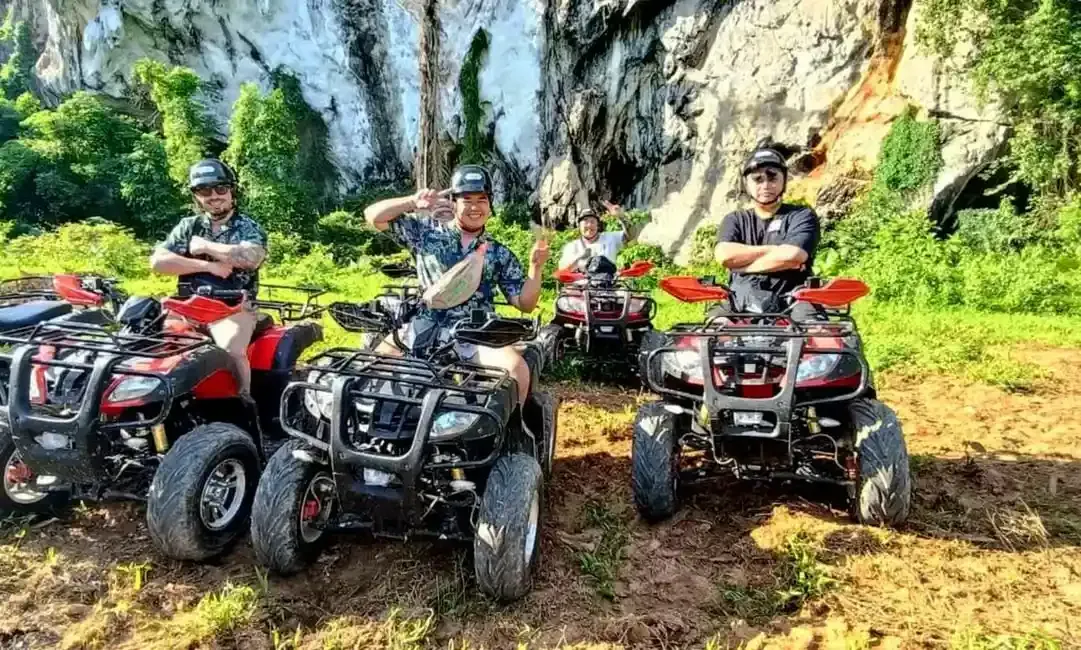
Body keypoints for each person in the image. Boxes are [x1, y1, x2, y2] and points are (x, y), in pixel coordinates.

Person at [364, 164, 549, 404]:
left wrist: (536, 268)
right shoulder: (425, 233)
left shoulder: (498, 253)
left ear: (490, 205)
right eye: (467, 199)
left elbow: (524, 303)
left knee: (516, 370)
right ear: (454, 202)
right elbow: (373, 216)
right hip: (423, 326)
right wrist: (412, 201)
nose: (475, 207)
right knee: (371, 369)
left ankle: (516, 426)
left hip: (475, 333)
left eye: (482, 200)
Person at [150, 159, 268, 395]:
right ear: (196, 196)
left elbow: (251, 258)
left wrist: (205, 245)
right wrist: (208, 266)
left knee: (230, 351)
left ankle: (243, 402)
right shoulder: (189, 226)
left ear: (232, 191)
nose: (214, 196)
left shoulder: (246, 226)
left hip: (233, 308)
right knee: (152, 345)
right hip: (187, 306)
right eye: (205, 191)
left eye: (220, 189)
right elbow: (158, 262)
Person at [713, 144, 821, 319]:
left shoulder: (801, 215)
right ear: (746, 184)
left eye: (772, 178)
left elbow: (794, 255)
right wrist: (777, 252)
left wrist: (742, 267)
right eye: (758, 179)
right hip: (739, 298)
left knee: (815, 331)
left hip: (794, 298)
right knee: (714, 328)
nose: (765, 185)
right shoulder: (735, 219)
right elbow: (724, 255)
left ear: (784, 181)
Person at [557, 200, 637, 273]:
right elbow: (562, 269)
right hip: (581, 283)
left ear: (597, 225)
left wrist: (621, 216)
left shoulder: (610, 237)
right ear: (579, 226)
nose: (589, 225)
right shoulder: (572, 246)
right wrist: (580, 258)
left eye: (592, 221)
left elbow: (632, 235)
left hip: (608, 282)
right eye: (585, 221)